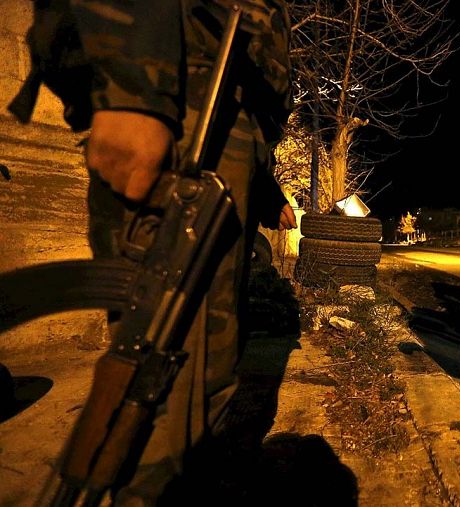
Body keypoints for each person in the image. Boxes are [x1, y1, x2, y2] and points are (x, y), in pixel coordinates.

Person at [8, 1, 296, 502]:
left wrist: (262, 176)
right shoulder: (157, 78)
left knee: (204, 384)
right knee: (159, 391)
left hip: (220, 110)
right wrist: (135, 88)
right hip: (181, 97)